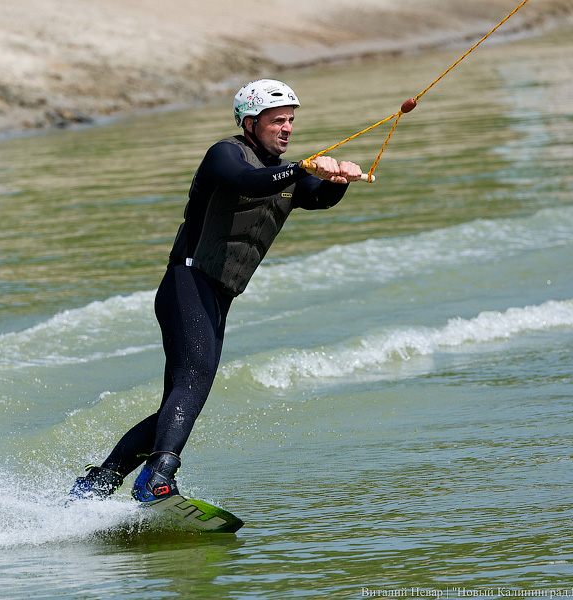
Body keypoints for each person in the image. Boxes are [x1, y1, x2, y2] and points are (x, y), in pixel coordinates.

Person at [69, 79, 364, 502]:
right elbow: (250, 180)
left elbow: (318, 198)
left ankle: (98, 483)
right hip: (187, 283)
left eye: (291, 121)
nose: (287, 129)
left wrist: (340, 178)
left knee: (180, 399)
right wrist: (303, 167)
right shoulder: (225, 154)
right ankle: (157, 477)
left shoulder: (286, 172)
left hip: (218, 295)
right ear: (250, 122)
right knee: (195, 380)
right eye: (277, 120)